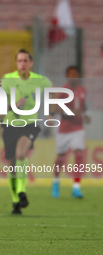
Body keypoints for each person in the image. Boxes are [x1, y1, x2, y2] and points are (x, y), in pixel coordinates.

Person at [1, 49, 52, 215]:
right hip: (10, 124)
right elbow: (1, 107)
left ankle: (22, 191)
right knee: (11, 165)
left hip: (29, 124)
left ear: (31, 63)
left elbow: (52, 94)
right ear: (16, 63)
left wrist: (50, 112)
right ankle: (16, 201)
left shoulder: (40, 80)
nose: (23, 64)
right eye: (20, 61)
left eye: (25, 61)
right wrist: (15, 105)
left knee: (21, 154)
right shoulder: (8, 80)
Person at [51, 66, 91, 199]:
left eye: (75, 74)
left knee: (79, 155)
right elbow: (56, 108)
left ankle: (76, 187)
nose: (73, 76)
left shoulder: (82, 90)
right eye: (70, 74)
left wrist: (86, 115)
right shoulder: (63, 91)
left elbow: (83, 106)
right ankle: (56, 181)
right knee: (61, 158)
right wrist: (71, 113)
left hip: (78, 128)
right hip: (64, 129)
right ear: (67, 76)